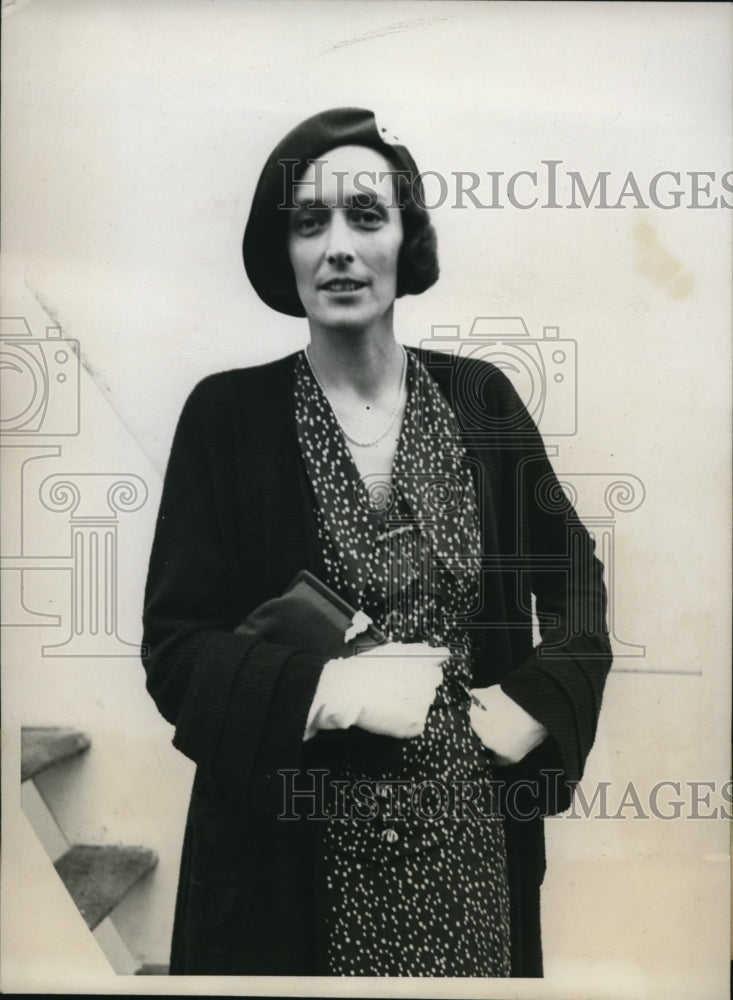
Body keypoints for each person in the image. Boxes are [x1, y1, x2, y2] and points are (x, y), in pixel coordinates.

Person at [142, 107, 613, 977]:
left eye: (366, 215)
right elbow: (175, 652)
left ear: (406, 239)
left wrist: (538, 699)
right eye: (309, 222)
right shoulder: (225, 418)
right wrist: (328, 690)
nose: (339, 248)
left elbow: (572, 574)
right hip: (287, 864)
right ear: (283, 253)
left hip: (469, 846)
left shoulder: (481, 399)